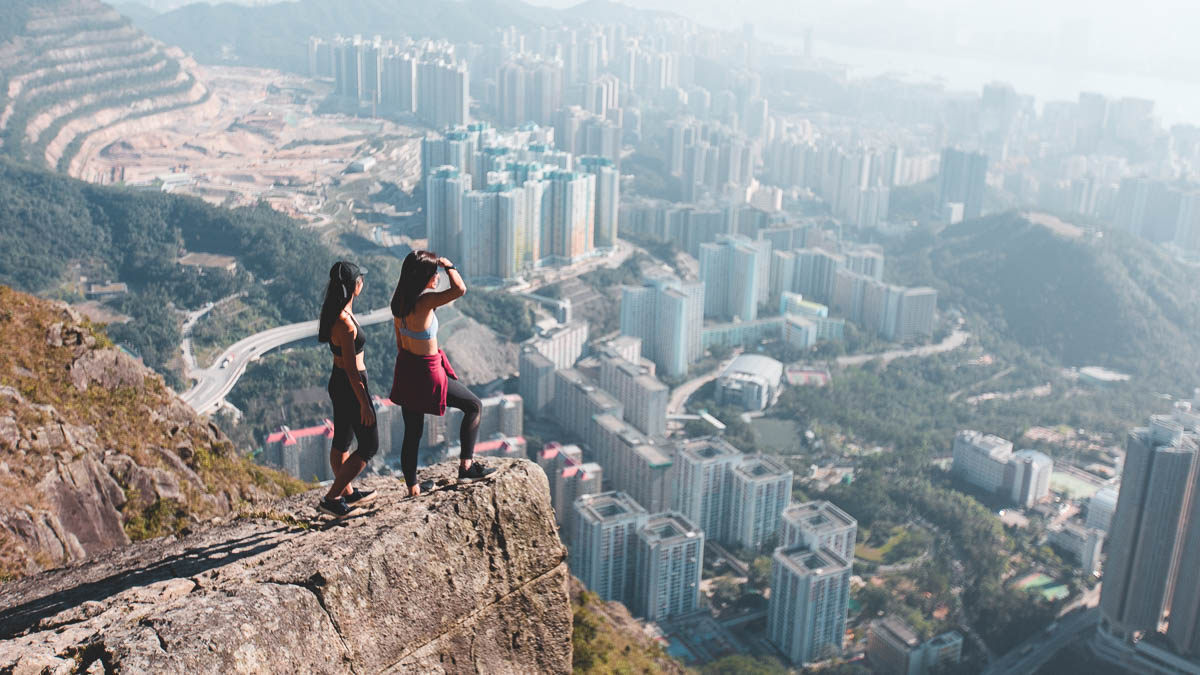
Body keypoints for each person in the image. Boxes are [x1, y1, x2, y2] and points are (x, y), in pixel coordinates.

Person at [389, 250, 495, 497]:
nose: (437, 276)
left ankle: (413, 487)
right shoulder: (424, 303)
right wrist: (449, 265)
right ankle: (466, 468)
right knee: (474, 406)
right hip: (428, 370)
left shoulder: (399, 303)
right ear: (422, 276)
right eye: (433, 273)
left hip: (407, 368)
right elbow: (460, 290)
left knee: (412, 432)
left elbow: (399, 343)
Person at [316, 261, 378, 517]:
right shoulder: (344, 323)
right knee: (369, 446)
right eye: (360, 279)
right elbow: (352, 370)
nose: (363, 282)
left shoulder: (339, 311)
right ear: (353, 286)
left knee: (342, 441)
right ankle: (332, 498)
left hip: (339, 381)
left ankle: (348, 494)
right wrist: (364, 401)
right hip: (350, 383)